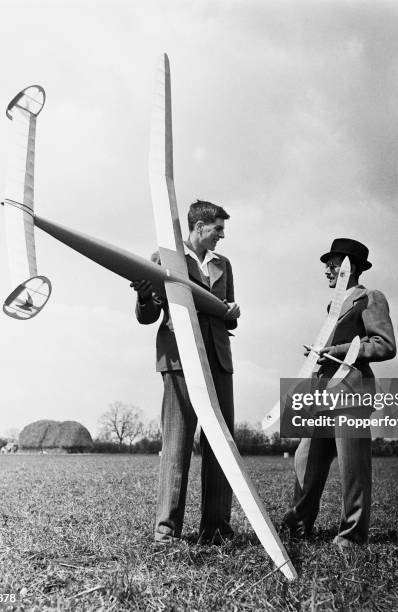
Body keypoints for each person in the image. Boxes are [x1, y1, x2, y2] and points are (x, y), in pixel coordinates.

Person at [131, 200, 240, 544]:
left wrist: (233, 311)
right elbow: (148, 316)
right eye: (217, 229)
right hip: (179, 360)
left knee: (220, 443)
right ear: (198, 226)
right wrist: (145, 298)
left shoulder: (225, 265)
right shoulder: (165, 258)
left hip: (218, 362)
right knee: (177, 444)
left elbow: (229, 314)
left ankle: (217, 528)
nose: (222, 236)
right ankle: (167, 529)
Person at [282, 238, 396, 549]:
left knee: (353, 468)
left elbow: (385, 345)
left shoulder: (370, 297)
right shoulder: (333, 306)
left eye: (333, 265)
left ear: (351, 267)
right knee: (305, 459)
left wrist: (341, 350)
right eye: (327, 266)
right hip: (323, 394)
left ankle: (351, 536)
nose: (327, 271)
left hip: (352, 393)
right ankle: (297, 526)